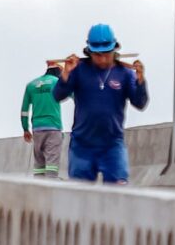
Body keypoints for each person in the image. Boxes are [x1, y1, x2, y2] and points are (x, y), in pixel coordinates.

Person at [52, 23, 149, 184]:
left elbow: (140, 103)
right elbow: (57, 95)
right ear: (89, 52)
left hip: (112, 144)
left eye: (106, 53)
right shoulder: (79, 70)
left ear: (114, 50)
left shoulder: (125, 73)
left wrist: (140, 81)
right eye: (97, 54)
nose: (102, 58)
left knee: (117, 191)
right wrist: (66, 74)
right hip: (82, 145)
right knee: (80, 195)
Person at [21, 58, 68, 177]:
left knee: (39, 165)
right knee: (52, 164)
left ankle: (38, 189)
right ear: (58, 71)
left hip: (37, 129)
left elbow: (24, 111)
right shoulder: (57, 82)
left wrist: (25, 128)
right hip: (53, 127)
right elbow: (74, 96)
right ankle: (50, 186)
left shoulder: (31, 85)